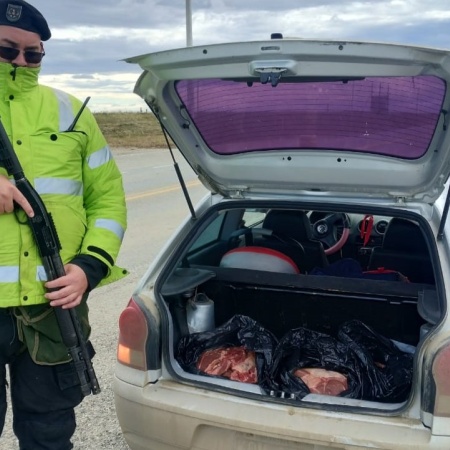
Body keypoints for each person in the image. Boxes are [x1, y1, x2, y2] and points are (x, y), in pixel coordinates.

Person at [0, 1, 128, 448]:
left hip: (54, 304)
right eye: (7, 49)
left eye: (32, 54)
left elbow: (107, 198)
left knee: (50, 434)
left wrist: (88, 268)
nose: (21, 61)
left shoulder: (70, 111)